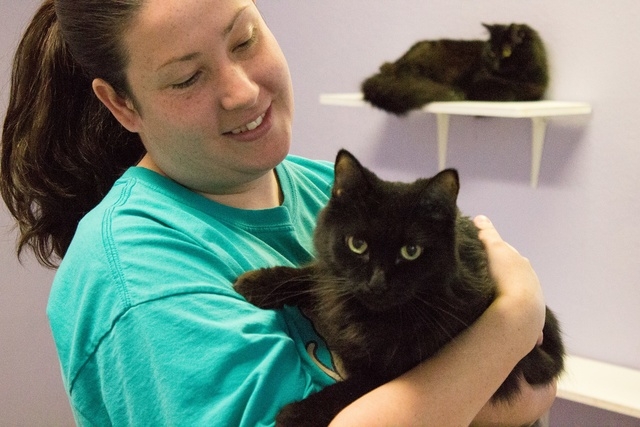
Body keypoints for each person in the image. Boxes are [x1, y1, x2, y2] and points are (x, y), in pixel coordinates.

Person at [0, 0, 556, 425]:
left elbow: (530, 389)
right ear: (121, 103)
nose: (242, 92)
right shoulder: (137, 274)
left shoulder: (331, 192)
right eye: (188, 77)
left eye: (244, 40)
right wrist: (514, 322)